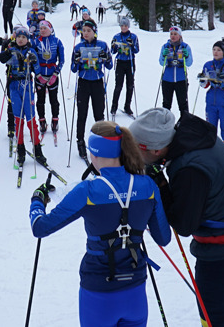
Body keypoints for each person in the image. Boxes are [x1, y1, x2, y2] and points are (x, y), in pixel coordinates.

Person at [130, 108, 224, 327]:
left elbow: (184, 225)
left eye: (135, 151)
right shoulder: (195, 138)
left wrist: (161, 186)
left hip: (223, 261)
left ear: (154, 150)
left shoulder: (189, 168)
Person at [29, 121, 171, 327]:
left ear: (93, 154)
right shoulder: (147, 185)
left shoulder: (88, 191)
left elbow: (40, 227)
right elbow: (163, 238)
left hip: (98, 296)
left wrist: (37, 200)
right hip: (135, 294)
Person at [0, 26, 46, 165]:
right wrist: (6, 51)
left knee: (31, 119)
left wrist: (34, 60)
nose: (21, 39)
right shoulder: (11, 49)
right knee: (18, 119)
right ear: (15, 38)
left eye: (24, 37)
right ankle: (20, 148)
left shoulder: (31, 51)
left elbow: (37, 70)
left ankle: (37, 149)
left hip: (27, 85)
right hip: (14, 86)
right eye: (19, 37)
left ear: (27, 39)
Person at [70, 20, 113, 161]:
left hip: (97, 83)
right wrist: (76, 61)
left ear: (94, 31)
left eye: (89, 30)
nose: (86, 33)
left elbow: (109, 66)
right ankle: (80, 141)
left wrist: (106, 58)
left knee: (98, 113)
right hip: (83, 82)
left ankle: (100, 140)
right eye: (84, 30)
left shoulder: (102, 45)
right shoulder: (78, 47)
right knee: (81, 113)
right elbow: (73, 69)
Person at [198, 40, 224, 148]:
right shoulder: (208, 65)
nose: (216, 52)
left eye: (219, 50)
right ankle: (211, 150)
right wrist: (202, 80)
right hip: (211, 101)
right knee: (210, 129)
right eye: (214, 49)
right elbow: (205, 85)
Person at [34, 20, 64, 135]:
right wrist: (37, 74)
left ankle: (55, 120)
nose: (42, 30)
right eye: (40, 28)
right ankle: (42, 121)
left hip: (52, 75)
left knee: (53, 99)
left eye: (44, 28)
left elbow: (62, 59)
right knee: (40, 100)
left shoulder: (57, 41)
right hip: (40, 74)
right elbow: (33, 59)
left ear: (50, 29)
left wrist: (56, 74)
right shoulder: (36, 42)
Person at [159, 26, 193, 116]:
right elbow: (161, 63)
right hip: (167, 79)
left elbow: (189, 63)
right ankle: (165, 123)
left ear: (180, 36)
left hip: (181, 79)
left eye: (175, 34)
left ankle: (185, 124)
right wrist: (163, 55)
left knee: (183, 104)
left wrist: (187, 56)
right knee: (166, 104)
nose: (173, 36)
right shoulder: (165, 46)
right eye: (171, 34)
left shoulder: (185, 47)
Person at [110, 16, 139, 120]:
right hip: (120, 62)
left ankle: (127, 106)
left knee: (130, 85)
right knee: (118, 85)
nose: (123, 27)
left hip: (130, 62)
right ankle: (114, 106)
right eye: (122, 25)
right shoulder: (116, 36)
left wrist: (132, 46)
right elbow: (112, 51)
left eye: (125, 26)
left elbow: (137, 50)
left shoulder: (133, 36)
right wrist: (114, 47)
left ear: (128, 26)